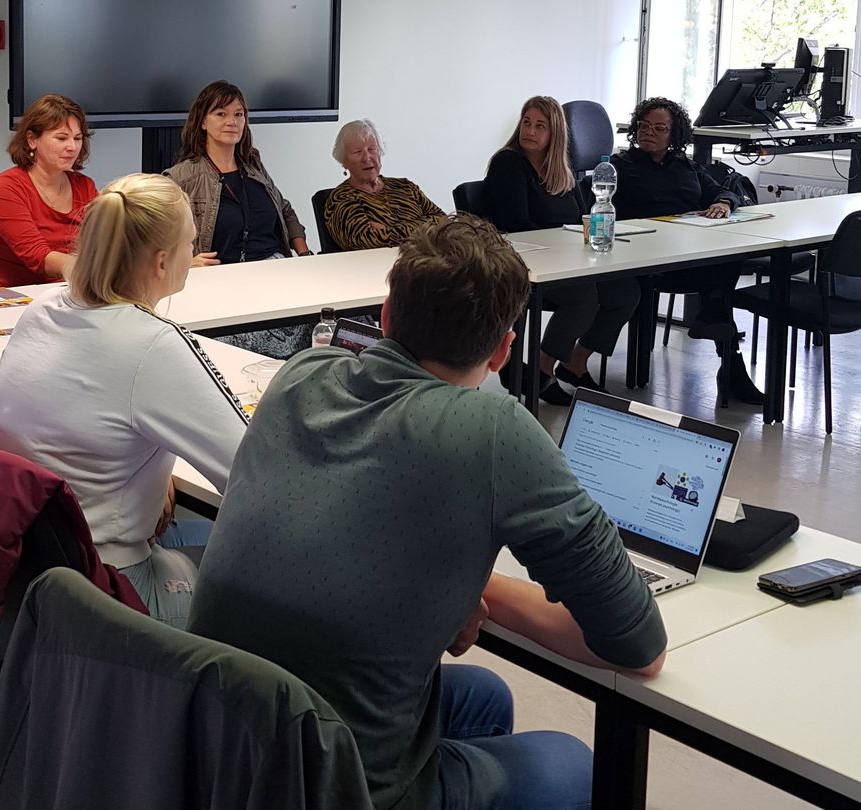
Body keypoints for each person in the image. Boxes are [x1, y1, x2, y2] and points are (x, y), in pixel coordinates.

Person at [189, 214, 667, 810]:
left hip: (220, 754)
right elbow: (639, 646)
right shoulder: (493, 430)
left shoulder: (301, 375)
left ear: (386, 318)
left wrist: (455, 587)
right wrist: (474, 587)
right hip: (336, 784)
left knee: (485, 697)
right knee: (570, 764)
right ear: (501, 351)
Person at [0, 173, 248, 630]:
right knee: (261, 592)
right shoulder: (153, 345)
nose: (193, 252)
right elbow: (252, 472)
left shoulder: (44, 309)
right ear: (161, 262)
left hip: (15, 571)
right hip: (103, 592)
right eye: (190, 242)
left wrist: (156, 464)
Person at [484, 95, 640, 405]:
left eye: (540, 126)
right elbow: (515, 225)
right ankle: (544, 369)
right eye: (527, 123)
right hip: (524, 264)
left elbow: (583, 217)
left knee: (626, 291)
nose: (531, 131)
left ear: (555, 134)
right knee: (584, 296)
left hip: (568, 261)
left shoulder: (561, 169)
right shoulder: (508, 163)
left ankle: (575, 362)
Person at [612, 96, 764, 404]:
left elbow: (721, 190)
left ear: (674, 135)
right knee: (719, 287)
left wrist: (723, 203)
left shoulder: (685, 166)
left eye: (659, 127)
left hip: (691, 256)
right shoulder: (621, 168)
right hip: (651, 259)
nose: (648, 132)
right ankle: (732, 369)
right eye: (643, 125)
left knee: (729, 257)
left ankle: (722, 343)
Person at [165, 80, 312, 358]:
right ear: (203, 122)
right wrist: (184, 261)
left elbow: (285, 210)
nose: (231, 121)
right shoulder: (181, 177)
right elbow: (156, 239)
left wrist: (304, 253)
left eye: (238, 114)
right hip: (223, 282)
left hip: (275, 273)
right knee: (267, 347)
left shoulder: (253, 166)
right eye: (220, 113)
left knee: (339, 322)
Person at [0, 94, 100, 288]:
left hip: (73, 294)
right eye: (61, 138)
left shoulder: (85, 186)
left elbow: (103, 241)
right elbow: (37, 257)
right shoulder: (6, 188)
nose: (72, 147)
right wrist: (96, 270)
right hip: (19, 303)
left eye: (78, 138)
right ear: (32, 139)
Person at [323, 119, 444, 250]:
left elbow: (443, 221)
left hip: (426, 261)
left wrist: (387, 230)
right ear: (343, 161)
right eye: (357, 152)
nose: (367, 158)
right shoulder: (341, 198)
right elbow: (365, 241)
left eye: (372, 149)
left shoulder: (405, 186)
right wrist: (426, 228)